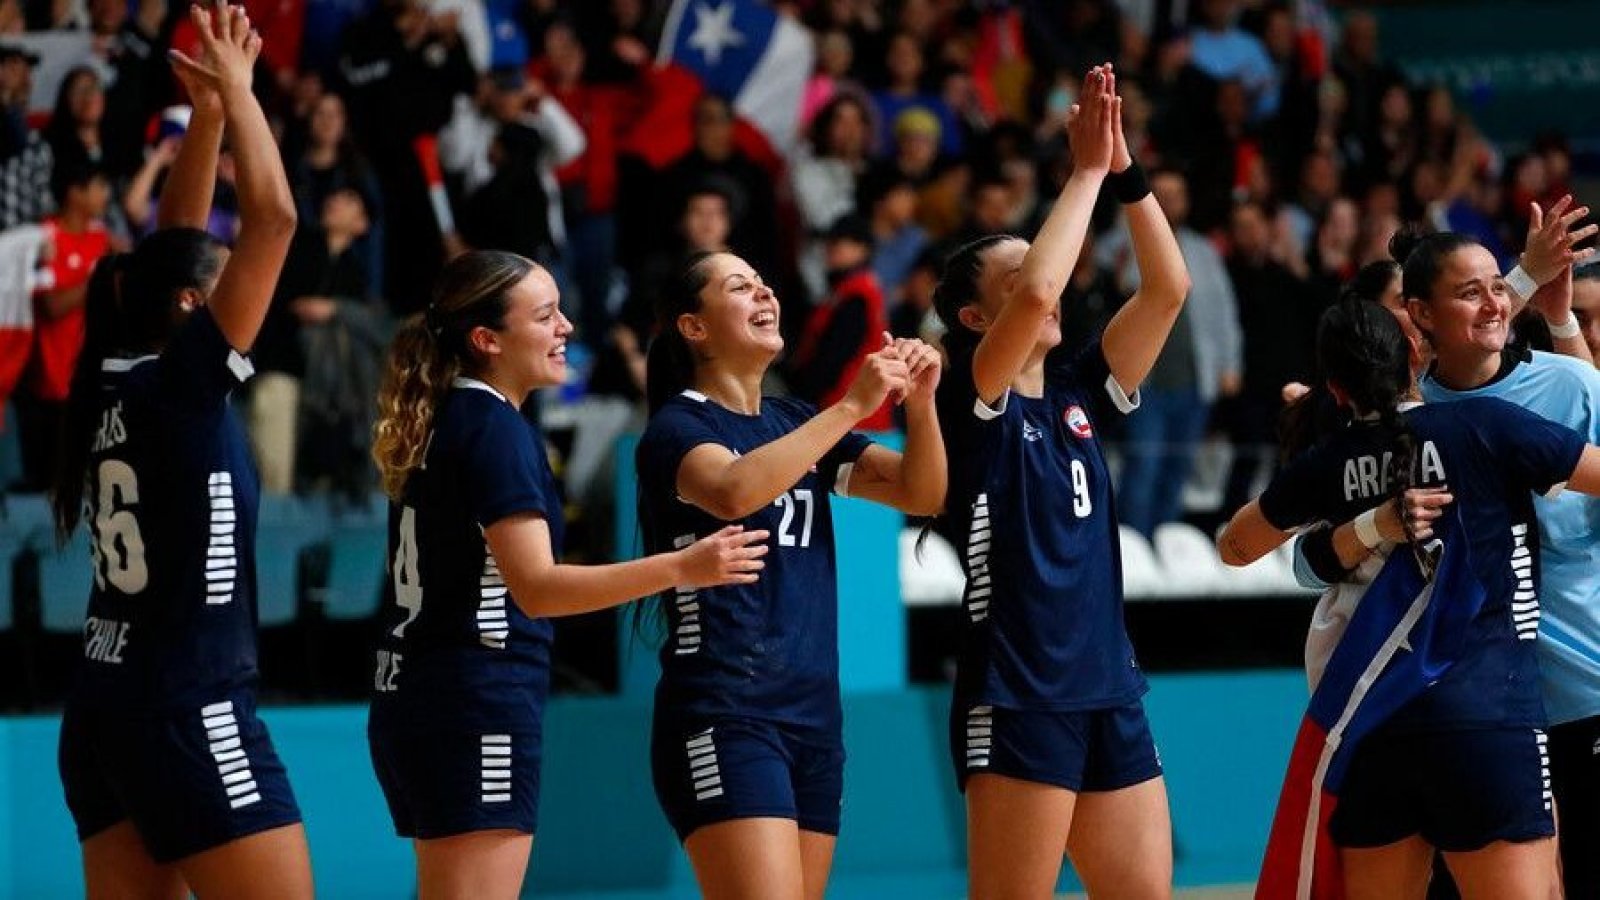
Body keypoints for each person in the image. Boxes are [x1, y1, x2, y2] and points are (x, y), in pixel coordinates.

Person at [366, 250, 770, 899]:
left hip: (422, 696)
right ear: (487, 340)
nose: (567, 329)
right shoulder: (496, 429)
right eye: (547, 315)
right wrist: (682, 567)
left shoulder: (452, 418)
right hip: (474, 699)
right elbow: (539, 587)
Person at [51, 6, 311, 897]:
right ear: (199, 313)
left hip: (102, 707)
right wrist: (241, 97)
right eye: (218, 278)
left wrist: (201, 119)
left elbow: (175, 250)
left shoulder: (121, 378)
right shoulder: (183, 389)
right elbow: (274, 221)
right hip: (188, 705)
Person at [1218, 296, 1600, 899]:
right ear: (1416, 356)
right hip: (1488, 718)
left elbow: (1234, 547)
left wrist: (1367, 525)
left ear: (1338, 391)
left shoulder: (1327, 463)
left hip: (1375, 731)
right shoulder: (1485, 425)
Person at [933, 65, 1190, 899]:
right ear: (980, 319)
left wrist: (1124, 172)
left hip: (1107, 685)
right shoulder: (973, 397)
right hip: (1016, 693)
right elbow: (1045, 281)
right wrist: (1080, 171)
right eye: (1015, 284)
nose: (1048, 290)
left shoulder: (1080, 389)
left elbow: (1168, 288)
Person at [636, 249, 946, 899]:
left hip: (812, 716)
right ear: (694, 327)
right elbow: (731, 490)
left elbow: (922, 493)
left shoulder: (793, 421)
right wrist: (849, 407)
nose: (765, 293)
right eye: (741, 287)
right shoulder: (678, 427)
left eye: (765, 281)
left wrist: (920, 406)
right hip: (724, 711)